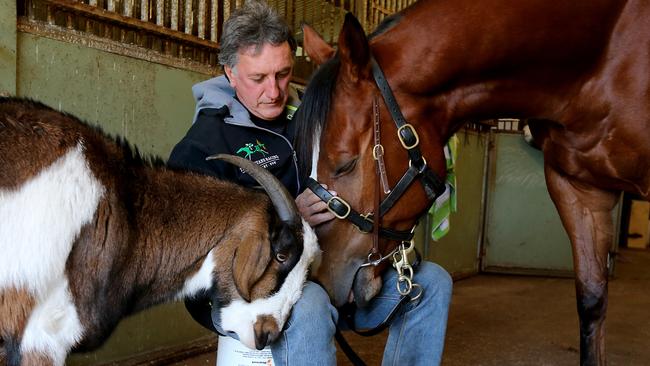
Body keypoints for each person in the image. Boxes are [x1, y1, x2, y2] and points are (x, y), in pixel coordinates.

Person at [167, 1, 453, 365]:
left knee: (431, 284)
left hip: (326, 271)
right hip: (255, 291)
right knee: (312, 304)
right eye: (258, 79)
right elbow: (193, 257)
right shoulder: (202, 146)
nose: (274, 91)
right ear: (230, 72)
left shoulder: (310, 116)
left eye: (283, 74)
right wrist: (285, 220)